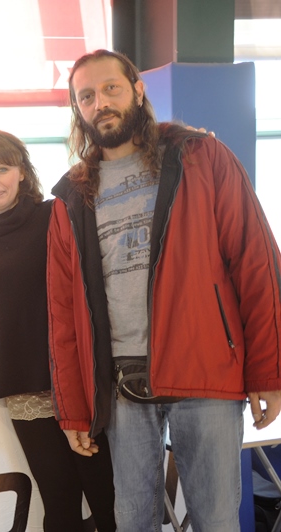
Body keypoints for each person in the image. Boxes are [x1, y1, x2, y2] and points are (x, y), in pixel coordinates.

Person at [47, 48, 281, 531]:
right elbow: (63, 313)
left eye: (111, 88)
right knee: (133, 521)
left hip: (205, 369)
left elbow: (256, 262)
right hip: (121, 384)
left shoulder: (201, 157)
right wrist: (73, 409)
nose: (100, 103)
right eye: (86, 96)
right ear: (78, 109)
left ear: (137, 90)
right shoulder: (72, 195)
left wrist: (268, 371)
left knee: (216, 521)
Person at [0, 130, 115, 531]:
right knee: (59, 505)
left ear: (21, 171)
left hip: (76, 381)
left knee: (109, 504)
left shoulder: (56, 215)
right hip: (25, 389)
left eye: (2, 168)